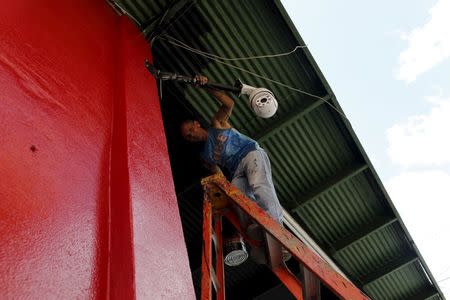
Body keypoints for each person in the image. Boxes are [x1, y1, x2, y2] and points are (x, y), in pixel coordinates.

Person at [180, 75, 288, 265]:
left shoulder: (216, 124)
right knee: (238, 203)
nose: (191, 135)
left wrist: (208, 86)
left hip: (250, 154)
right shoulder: (206, 156)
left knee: (259, 186)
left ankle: (279, 232)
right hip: (237, 170)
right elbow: (219, 176)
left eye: (190, 130)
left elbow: (229, 103)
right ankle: (260, 242)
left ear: (197, 124)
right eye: (188, 137)